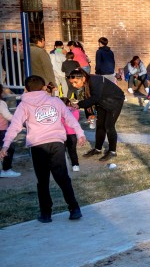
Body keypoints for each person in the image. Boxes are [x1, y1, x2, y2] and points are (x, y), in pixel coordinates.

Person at [0, 75, 87, 222]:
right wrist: (80, 133)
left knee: (43, 181)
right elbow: (69, 118)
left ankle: (46, 214)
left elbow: (14, 126)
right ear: (43, 87)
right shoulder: (55, 101)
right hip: (57, 144)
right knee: (63, 178)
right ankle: (74, 208)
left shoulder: (24, 105)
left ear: (26, 89)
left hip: (38, 146)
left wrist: (6, 144)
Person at [68, 68, 125, 162]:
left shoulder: (95, 81)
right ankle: (98, 149)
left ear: (82, 78)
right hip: (102, 101)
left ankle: (112, 151)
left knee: (109, 126)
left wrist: (79, 105)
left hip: (115, 100)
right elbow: (90, 100)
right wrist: (89, 114)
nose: (74, 85)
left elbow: (95, 98)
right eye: (72, 83)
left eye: (75, 82)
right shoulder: (85, 84)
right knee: (100, 126)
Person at [0, 82, 18, 178]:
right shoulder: (1, 103)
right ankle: (6, 170)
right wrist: (18, 120)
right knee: (9, 148)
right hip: (2, 130)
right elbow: (7, 116)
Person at [61, 97, 81, 172]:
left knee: (61, 151)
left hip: (62, 134)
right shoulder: (75, 110)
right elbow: (76, 120)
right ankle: (75, 165)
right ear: (68, 103)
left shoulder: (58, 111)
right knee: (72, 151)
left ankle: (63, 166)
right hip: (72, 134)